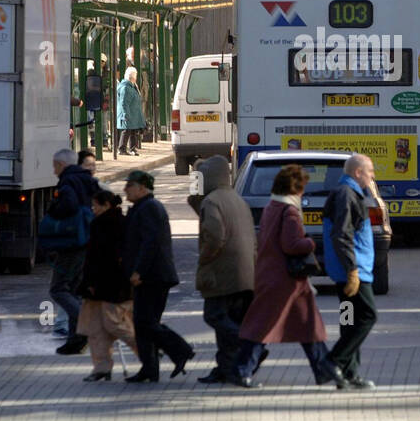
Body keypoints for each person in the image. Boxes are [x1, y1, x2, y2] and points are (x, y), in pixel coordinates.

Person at [232, 165, 348, 389]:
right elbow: (292, 245)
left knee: (307, 325)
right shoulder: (290, 212)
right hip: (285, 281)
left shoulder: (271, 206)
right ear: (295, 188)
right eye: (302, 187)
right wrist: (310, 242)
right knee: (263, 326)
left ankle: (324, 369)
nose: (304, 192)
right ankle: (242, 369)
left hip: (274, 277)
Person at [122, 169, 194, 382]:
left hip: (153, 276)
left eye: (130, 185)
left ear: (142, 188)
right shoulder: (140, 208)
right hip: (149, 275)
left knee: (145, 322)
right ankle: (149, 368)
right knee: (143, 323)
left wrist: (138, 271)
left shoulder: (150, 208)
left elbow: (150, 244)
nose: (126, 189)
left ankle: (181, 350)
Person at [193, 156, 257, 385]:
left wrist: (205, 257)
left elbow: (214, 235)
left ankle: (250, 346)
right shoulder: (236, 199)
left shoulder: (212, 201)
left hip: (222, 272)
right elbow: (194, 201)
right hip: (244, 273)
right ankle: (226, 367)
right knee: (230, 320)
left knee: (215, 316)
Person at [322, 153, 379, 389]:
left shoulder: (348, 193)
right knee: (368, 316)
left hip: (344, 270)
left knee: (349, 318)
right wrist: (352, 270)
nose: (372, 176)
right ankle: (334, 360)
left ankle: (348, 373)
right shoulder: (347, 195)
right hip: (354, 272)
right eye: (370, 172)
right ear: (357, 172)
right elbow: (342, 235)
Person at [75, 189, 137, 381]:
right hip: (101, 285)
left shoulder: (112, 224)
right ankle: (101, 368)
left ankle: (147, 349)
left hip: (111, 285)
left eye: (96, 206)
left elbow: (101, 258)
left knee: (114, 323)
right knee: (96, 329)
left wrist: (91, 281)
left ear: (106, 205)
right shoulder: (107, 223)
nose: (93, 210)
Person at [47, 148, 100, 355]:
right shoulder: (89, 181)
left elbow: (67, 206)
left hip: (71, 244)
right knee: (75, 290)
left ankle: (84, 325)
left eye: (54, 166)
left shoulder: (68, 182)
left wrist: (54, 210)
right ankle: (74, 340)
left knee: (59, 289)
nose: (54, 171)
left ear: (61, 165)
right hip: (88, 242)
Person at [117, 66, 146, 155]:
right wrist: (126, 114)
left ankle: (132, 148)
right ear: (133, 77)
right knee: (126, 131)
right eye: (136, 75)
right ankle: (122, 149)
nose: (136, 77)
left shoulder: (132, 86)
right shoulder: (126, 88)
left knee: (133, 131)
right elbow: (124, 103)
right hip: (128, 114)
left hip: (133, 114)